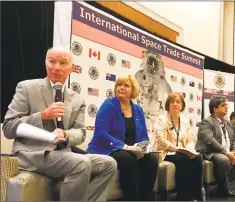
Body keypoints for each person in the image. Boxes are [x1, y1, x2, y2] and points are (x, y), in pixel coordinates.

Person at [2, 47, 117, 201]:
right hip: (33, 154)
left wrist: (65, 134)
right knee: (81, 163)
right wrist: (42, 115)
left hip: (63, 155)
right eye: (52, 61)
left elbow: (81, 132)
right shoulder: (27, 88)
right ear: (45, 63)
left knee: (108, 163)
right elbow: (8, 127)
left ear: (71, 68)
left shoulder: (77, 99)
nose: (56, 67)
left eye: (63, 63)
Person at [87, 75, 158, 201]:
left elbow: (143, 136)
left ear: (133, 90)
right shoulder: (109, 105)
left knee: (151, 159)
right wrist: (125, 147)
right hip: (109, 149)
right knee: (127, 158)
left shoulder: (138, 109)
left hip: (132, 151)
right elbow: (100, 133)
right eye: (119, 85)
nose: (121, 88)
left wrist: (143, 149)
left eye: (126, 85)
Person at [153, 92, 204, 201]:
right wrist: (178, 149)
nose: (175, 104)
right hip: (165, 152)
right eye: (172, 102)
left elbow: (190, 138)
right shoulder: (161, 119)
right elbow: (161, 141)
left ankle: (196, 197)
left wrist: (190, 150)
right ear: (168, 104)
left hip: (183, 151)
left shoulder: (185, 120)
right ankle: (183, 198)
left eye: (178, 102)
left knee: (197, 158)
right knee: (183, 159)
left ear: (182, 105)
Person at [195, 97, 235, 197]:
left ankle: (228, 187)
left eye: (226, 105)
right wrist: (227, 152)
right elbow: (210, 140)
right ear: (215, 109)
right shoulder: (206, 122)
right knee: (224, 160)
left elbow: (234, 139)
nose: (226, 107)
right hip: (212, 151)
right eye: (223, 105)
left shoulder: (227, 122)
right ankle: (225, 188)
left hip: (228, 151)